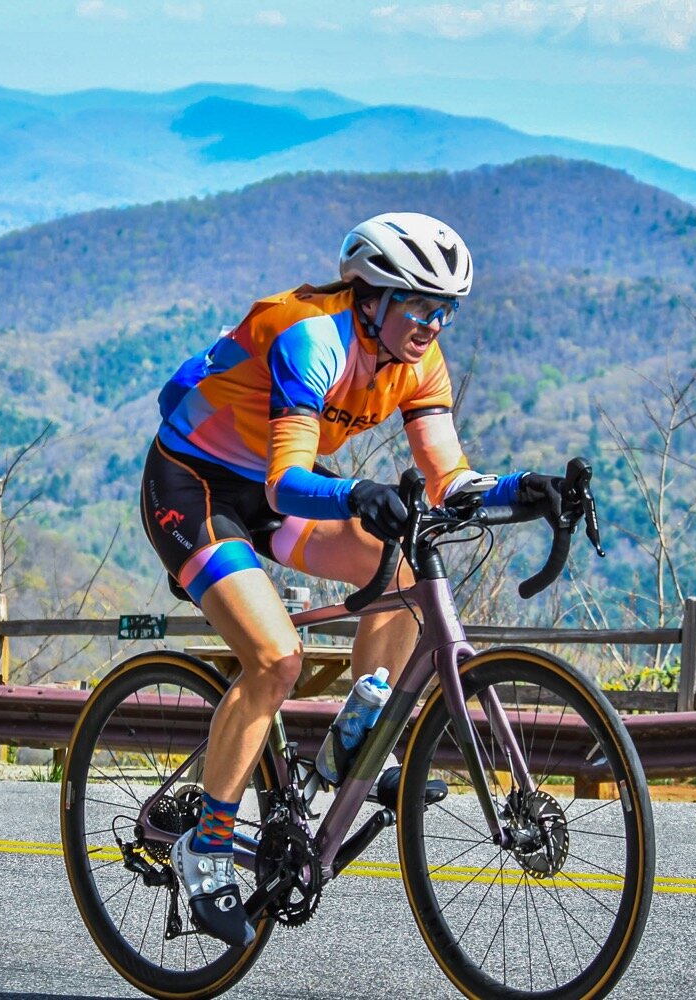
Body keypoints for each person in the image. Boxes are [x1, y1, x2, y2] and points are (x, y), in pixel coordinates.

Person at [139, 212, 564, 947]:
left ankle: (361, 742)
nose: (434, 323)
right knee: (276, 659)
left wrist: (524, 489)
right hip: (194, 485)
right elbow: (285, 486)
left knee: (401, 568)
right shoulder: (313, 339)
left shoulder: (418, 362)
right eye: (419, 304)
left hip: (273, 489)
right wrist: (359, 494)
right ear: (370, 296)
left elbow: (448, 476)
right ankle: (204, 847)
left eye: (446, 310)